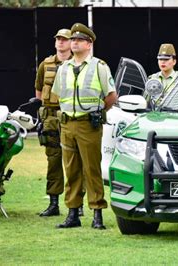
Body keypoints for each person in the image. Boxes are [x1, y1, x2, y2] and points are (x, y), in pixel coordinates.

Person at [51, 23, 117, 230]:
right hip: (68, 124)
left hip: (88, 124)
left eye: (79, 40)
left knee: (92, 169)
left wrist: (97, 111)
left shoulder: (99, 66)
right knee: (71, 170)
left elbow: (112, 96)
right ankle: (73, 213)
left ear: (89, 44)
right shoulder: (64, 68)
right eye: (73, 40)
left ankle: (97, 213)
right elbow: (59, 94)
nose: (74, 43)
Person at [35, 28, 76, 217]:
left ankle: (76, 204)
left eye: (64, 39)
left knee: (75, 161)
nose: (60, 42)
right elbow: (38, 91)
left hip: (71, 117)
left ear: (71, 43)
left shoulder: (79, 64)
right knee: (53, 160)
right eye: (58, 39)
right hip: (51, 118)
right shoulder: (46, 64)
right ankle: (53, 203)